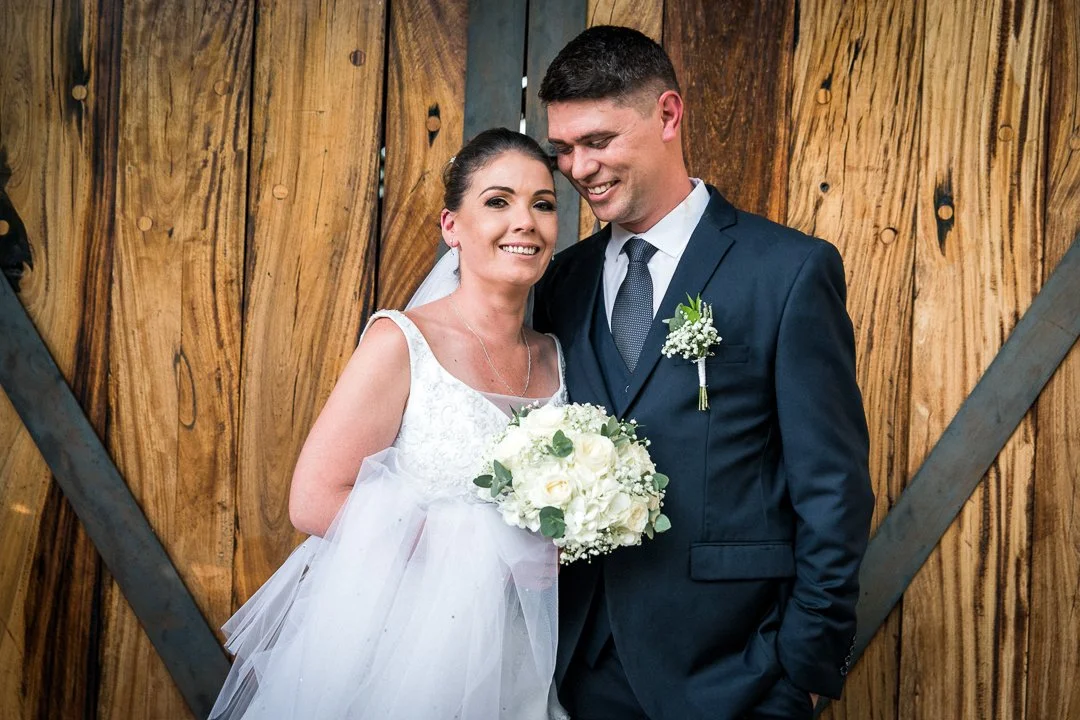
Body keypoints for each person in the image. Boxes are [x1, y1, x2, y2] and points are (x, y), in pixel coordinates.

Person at [533, 26, 875, 720]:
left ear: (667, 114)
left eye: (598, 140)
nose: (578, 168)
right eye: (563, 149)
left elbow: (833, 488)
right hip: (580, 672)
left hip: (738, 675)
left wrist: (802, 672)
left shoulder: (786, 271)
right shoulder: (558, 283)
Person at [210, 128, 569, 719]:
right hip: (403, 650)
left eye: (543, 204)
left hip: (519, 652)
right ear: (452, 227)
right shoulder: (403, 341)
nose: (525, 222)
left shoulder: (557, 357)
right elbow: (313, 500)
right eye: (498, 201)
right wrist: (492, 549)